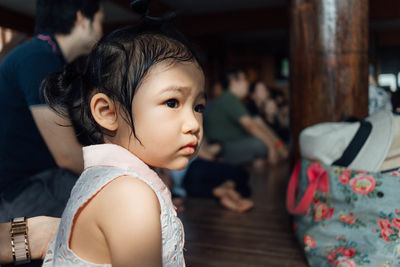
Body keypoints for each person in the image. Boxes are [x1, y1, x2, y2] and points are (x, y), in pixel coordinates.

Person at [40, 16, 205, 265]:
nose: (193, 124)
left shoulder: (112, 179)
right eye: (172, 102)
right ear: (107, 112)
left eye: (198, 107)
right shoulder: (129, 195)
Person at [0, 0, 104, 221]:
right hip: (22, 192)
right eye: (100, 22)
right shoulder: (38, 59)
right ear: (81, 19)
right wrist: (135, 175)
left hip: (42, 180)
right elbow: (67, 156)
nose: (101, 31)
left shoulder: (52, 60)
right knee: (123, 208)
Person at [204, 69, 288, 165]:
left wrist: (275, 145)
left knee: (263, 140)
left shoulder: (233, 99)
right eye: (244, 79)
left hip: (232, 142)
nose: (247, 83)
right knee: (261, 145)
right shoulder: (229, 98)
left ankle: (256, 159)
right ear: (233, 82)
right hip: (223, 146)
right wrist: (271, 147)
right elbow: (250, 126)